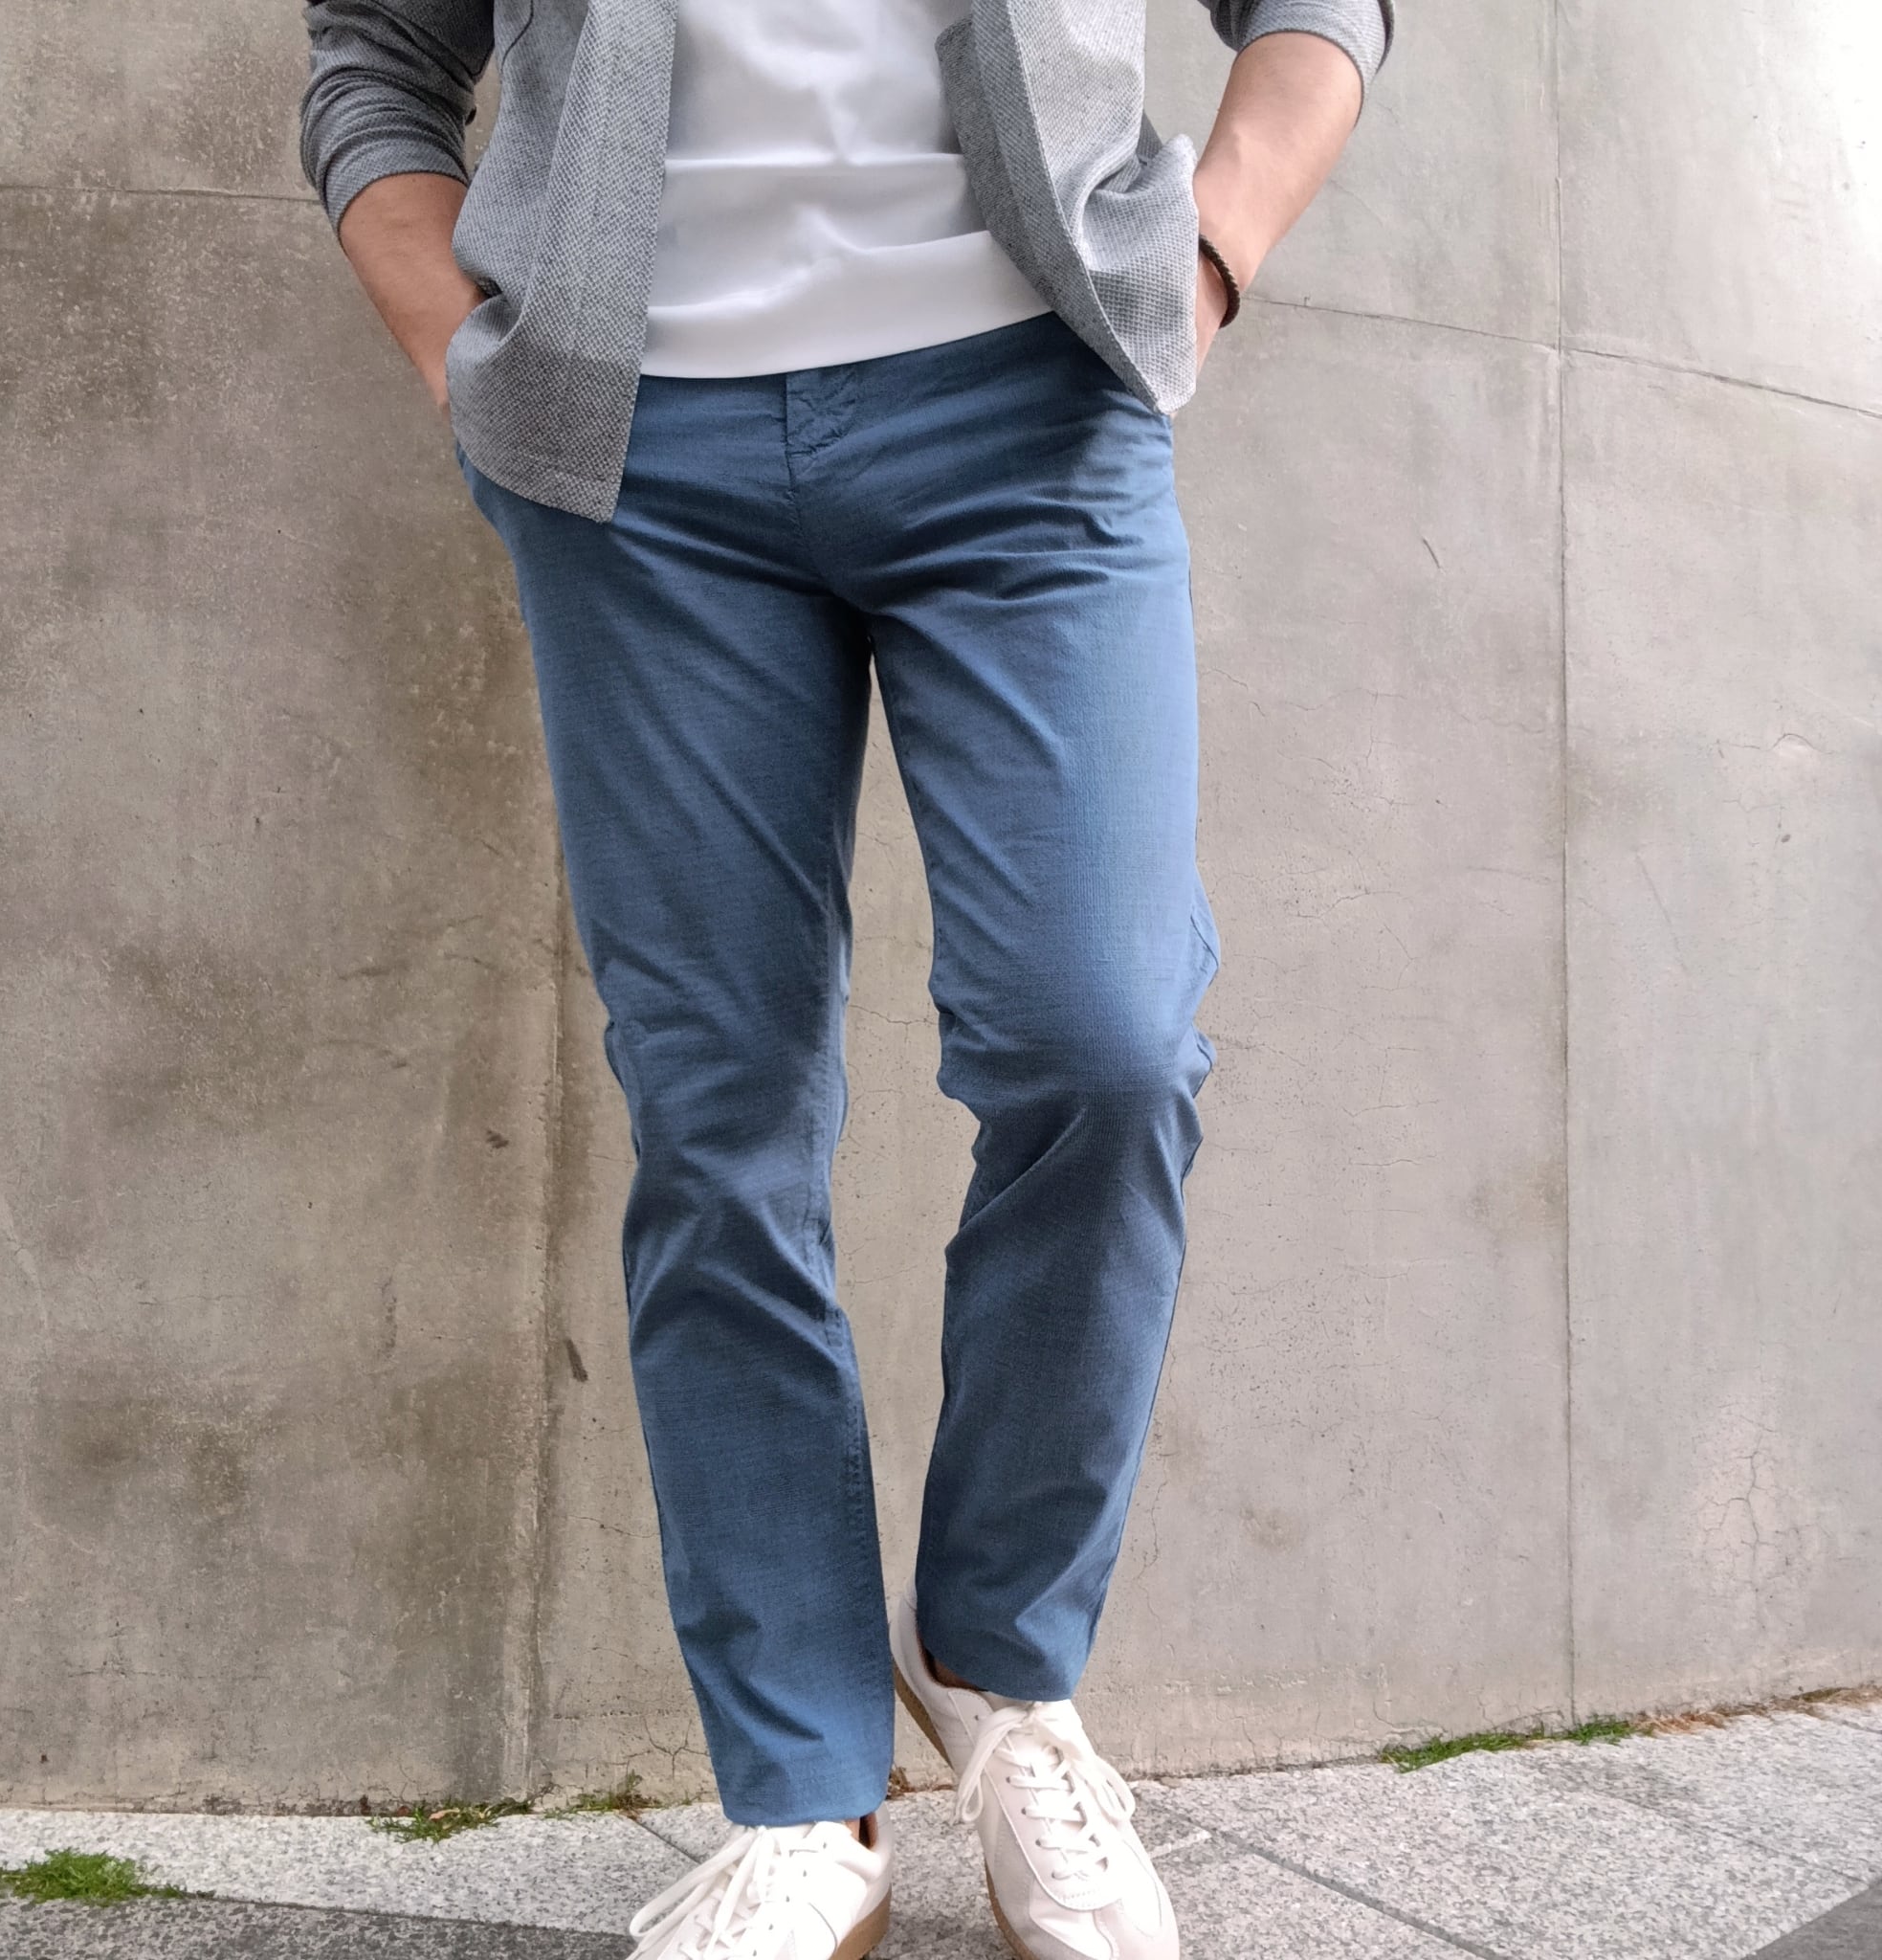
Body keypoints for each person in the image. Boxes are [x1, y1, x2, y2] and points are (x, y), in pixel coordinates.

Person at [300, 2, 1391, 1954]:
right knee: (720, 1115)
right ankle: (802, 1788)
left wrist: (1212, 246)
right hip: (635, 449)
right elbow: (377, 52)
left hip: (1028, 403)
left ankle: (997, 1661)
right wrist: (468, 357)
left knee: (1105, 1042)